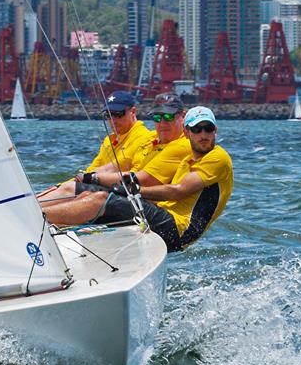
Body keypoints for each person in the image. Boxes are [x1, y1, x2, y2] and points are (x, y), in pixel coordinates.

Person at [44, 106, 233, 252]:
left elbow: (177, 191)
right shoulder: (188, 159)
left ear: (215, 130)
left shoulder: (218, 157)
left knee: (100, 200)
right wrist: (109, 187)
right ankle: (24, 212)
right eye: (197, 129)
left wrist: (134, 191)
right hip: (163, 216)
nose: (203, 135)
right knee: (81, 191)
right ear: (187, 132)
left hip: (178, 231)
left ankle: (29, 223)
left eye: (208, 129)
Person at [41, 94, 191, 205]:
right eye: (157, 118)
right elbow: (102, 168)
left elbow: (134, 175)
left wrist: (90, 178)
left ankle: (32, 217)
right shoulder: (151, 139)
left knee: (78, 192)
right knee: (73, 189)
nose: (113, 120)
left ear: (133, 112)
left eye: (168, 117)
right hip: (129, 194)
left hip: (146, 204)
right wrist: (61, 186)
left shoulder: (145, 137)